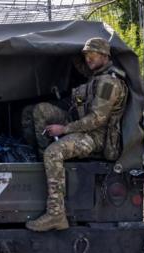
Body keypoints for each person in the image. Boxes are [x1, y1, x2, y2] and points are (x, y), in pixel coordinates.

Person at [24, 37, 128, 231]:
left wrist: (64, 130)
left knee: (53, 153)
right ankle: (43, 164)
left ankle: (56, 214)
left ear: (105, 55)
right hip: (80, 125)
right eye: (86, 55)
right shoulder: (96, 75)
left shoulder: (108, 84)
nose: (88, 59)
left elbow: (97, 119)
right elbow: (81, 66)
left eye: (92, 54)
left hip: (95, 137)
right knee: (38, 111)